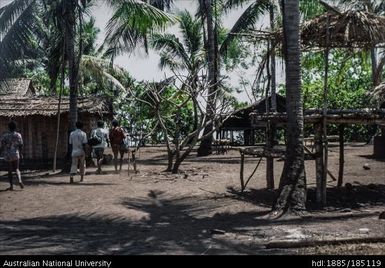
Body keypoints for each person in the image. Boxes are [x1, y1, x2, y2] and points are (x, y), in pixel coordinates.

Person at [0, 121, 24, 190]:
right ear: (15, 127)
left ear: (9, 127)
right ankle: (19, 180)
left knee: (10, 170)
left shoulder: (5, 136)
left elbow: (2, 146)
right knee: (17, 168)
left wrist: (0, 152)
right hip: (15, 153)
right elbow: (21, 145)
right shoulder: (18, 135)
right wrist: (21, 153)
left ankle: (11, 186)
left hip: (8, 154)